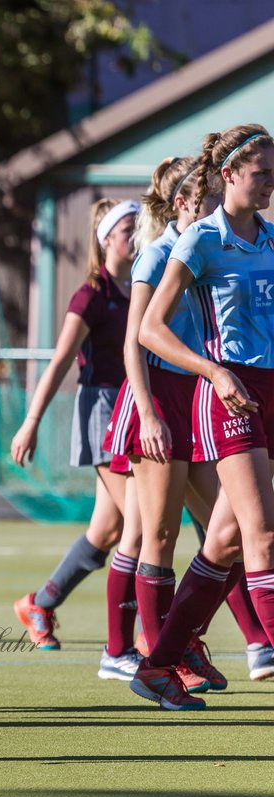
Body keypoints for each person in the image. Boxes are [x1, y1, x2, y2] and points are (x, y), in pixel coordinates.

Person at [105, 155, 270, 689]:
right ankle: (142, 651)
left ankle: (179, 652)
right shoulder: (166, 253)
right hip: (167, 398)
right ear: (183, 202)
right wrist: (149, 410)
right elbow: (138, 338)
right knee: (153, 532)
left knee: (226, 536)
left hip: (211, 393)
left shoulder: (239, 241)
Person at [11, 199, 142, 669]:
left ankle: (40, 604)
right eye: (128, 229)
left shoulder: (138, 290)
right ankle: (142, 639)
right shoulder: (91, 294)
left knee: (109, 529)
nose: (136, 236)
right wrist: (31, 420)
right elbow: (61, 361)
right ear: (107, 238)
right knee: (144, 525)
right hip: (102, 413)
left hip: (130, 410)